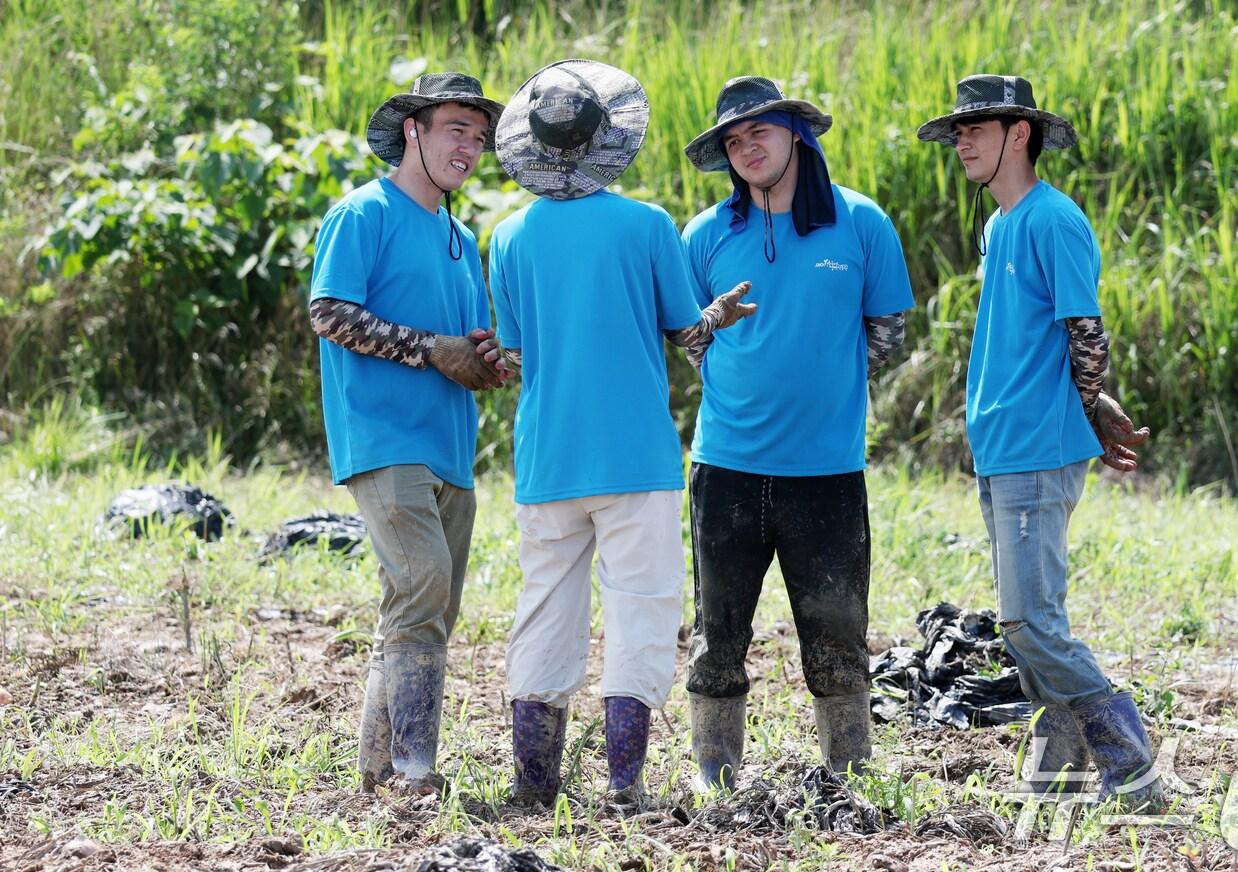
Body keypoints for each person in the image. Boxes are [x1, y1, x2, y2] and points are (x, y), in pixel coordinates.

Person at [483, 59, 755, 808]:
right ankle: (623, 784)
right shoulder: (646, 225)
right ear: (606, 139)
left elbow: (515, 348)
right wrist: (717, 317)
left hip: (548, 456)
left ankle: (535, 786)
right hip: (635, 453)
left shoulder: (506, 236)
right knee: (640, 607)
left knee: (545, 609)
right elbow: (680, 327)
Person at [917, 74, 1159, 807]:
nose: (962, 141)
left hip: (1035, 448)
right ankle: (1056, 777)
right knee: (1035, 624)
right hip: (1001, 447)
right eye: (958, 131)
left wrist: (1088, 406)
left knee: (1027, 626)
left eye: (976, 129)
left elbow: (1085, 332)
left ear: (1018, 134)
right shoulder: (999, 226)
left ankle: (1133, 764)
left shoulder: (1054, 220)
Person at [678, 76, 915, 789]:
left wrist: (829, 381)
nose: (746, 147)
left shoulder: (860, 223)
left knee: (838, 637)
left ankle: (851, 776)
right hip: (725, 465)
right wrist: (722, 341)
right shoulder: (705, 235)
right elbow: (688, 339)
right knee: (718, 637)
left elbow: (889, 329)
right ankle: (713, 777)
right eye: (733, 140)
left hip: (829, 471)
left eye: (760, 132)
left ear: (797, 137)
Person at [307, 72, 508, 796]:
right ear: (413, 129)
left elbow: (467, 345)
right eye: (457, 128)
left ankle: (377, 771)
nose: (471, 146)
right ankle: (415, 771)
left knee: (428, 605)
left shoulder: (460, 237)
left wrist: (488, 360)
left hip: (451, 443)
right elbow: (329, 312)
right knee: (421, 584)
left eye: (480, 137)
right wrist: (431, 349)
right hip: (384, 436)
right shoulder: (364, 213)